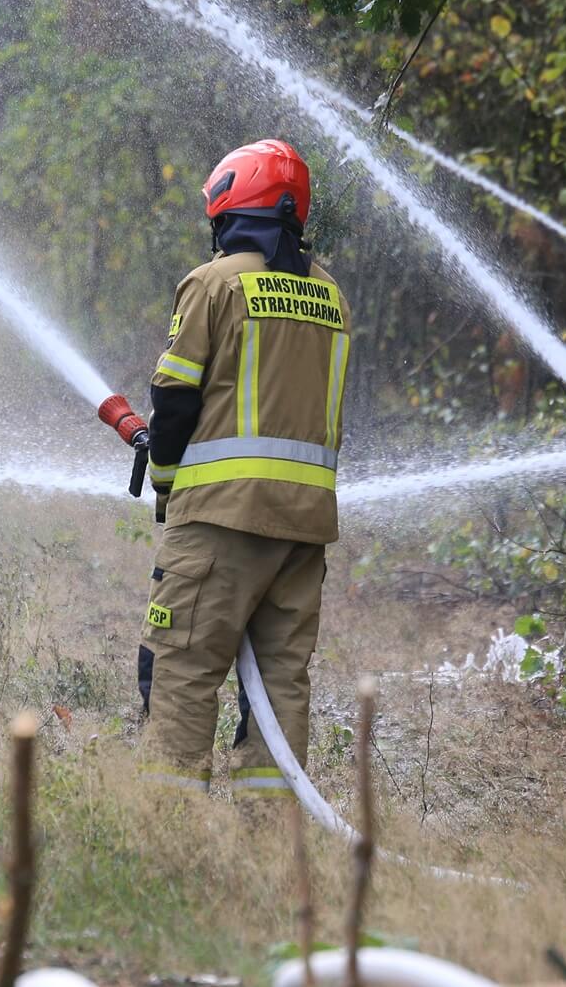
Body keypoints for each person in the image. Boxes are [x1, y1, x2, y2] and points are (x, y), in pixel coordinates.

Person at [136, 139, 350, 800]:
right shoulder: (331, 296)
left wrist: (165, 482)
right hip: (303, 531)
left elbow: (174, 400)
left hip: (220, 519)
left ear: (231, 211)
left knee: (180, 664)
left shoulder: (214, 283)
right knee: (280, 685)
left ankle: (169, 823)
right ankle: (270, 833)